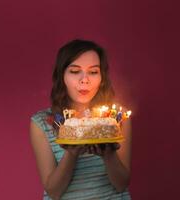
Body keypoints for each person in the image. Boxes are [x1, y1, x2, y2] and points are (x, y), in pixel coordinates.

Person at [30, 39, 132, 200]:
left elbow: (121, 184)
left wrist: (109, 155)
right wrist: (71, 154)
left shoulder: (115, 118)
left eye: (93, 72)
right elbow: (53, 192)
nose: (85, 80)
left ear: (102, 77)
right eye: (75, 71)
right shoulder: (43, 122)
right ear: (61, 75)